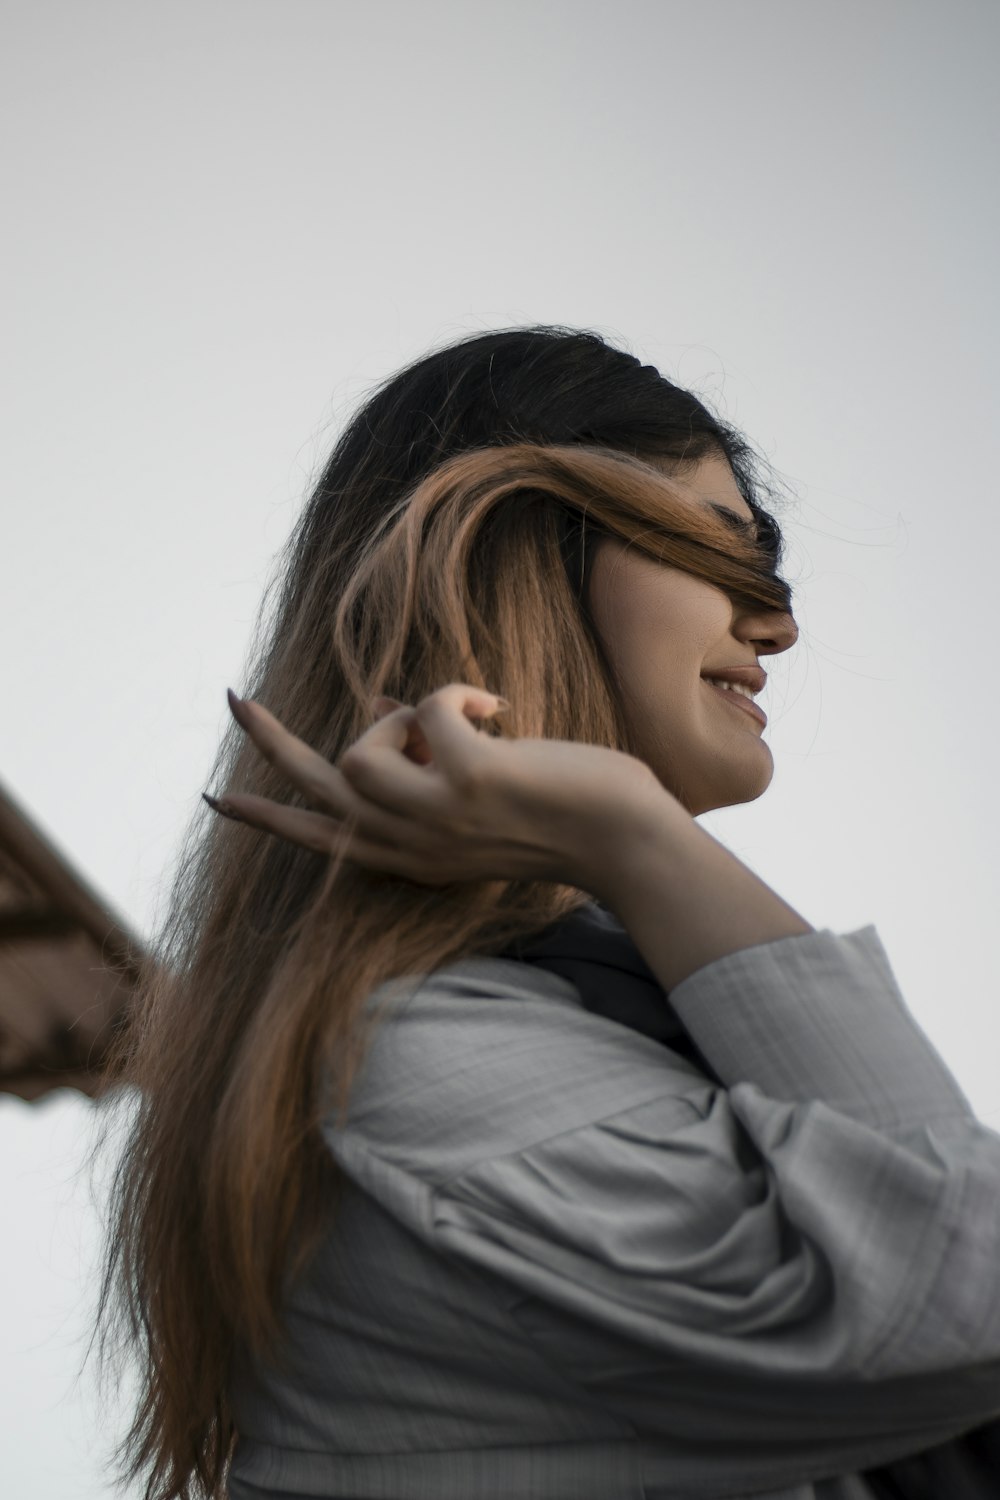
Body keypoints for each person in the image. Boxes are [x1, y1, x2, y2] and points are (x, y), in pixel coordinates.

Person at [91, 326, 1000, 1500]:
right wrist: (632, 830)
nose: (775, 623)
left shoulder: (550, 1024)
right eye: (713, 554)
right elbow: (962, 1294)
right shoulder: (410, 1069)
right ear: (508, 556)